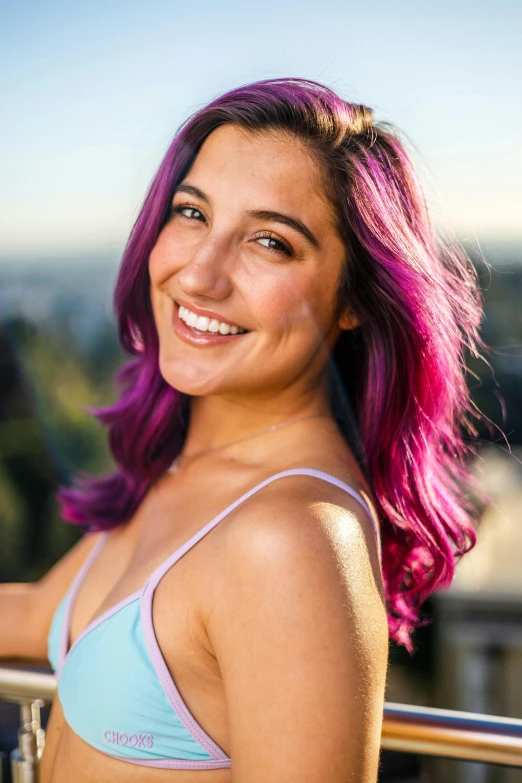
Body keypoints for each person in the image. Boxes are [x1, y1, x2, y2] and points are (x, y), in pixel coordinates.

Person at [0, 77, 483, 782]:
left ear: (353, 298)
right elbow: (35, 611)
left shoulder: (291, 539)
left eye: (269, 241)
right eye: (191, 213)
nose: (200, 274)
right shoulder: (190, 475)